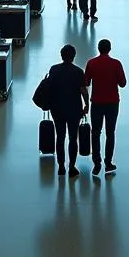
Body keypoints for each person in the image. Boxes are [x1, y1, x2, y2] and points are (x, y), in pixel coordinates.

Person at [84, 38, 127, 175]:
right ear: (109, 49)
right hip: (112, 102)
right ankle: (108, 162)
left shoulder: (91, 63)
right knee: (110, 132)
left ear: (98, 48)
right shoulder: (116, 64)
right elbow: (123, 83)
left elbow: (86, 82)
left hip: (96, 102)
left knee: (95, 133)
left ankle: (96, 164)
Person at [47, 44, 89, 176]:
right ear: (73, 56)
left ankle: (60, 166)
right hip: (74, 109)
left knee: (60, 137)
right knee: (72, 138)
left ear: (61, 55)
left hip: (57, 108)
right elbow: (83, 91)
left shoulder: (54, 70)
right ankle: (71, 166)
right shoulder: (78, 72)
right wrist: (86, 104)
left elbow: (49, 87)